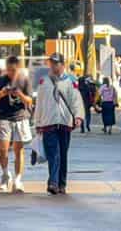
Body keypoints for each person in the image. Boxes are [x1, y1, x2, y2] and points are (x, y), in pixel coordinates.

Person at [33, 52, 85, 195]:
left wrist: (78, 116)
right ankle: (53, 183)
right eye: (52, 63)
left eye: (56, 63)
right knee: (53, 154)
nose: (54, 65)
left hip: (65, 122)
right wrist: (37, 122)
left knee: (62, 154)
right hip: (48, 123)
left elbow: (76, 100)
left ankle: (62, 183)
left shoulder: (70, 81)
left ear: (62, 64)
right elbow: (40, 103)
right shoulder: (44, 82)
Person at [0, 55, 33, 192]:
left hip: (20, 118)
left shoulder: (24, 81)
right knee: (3, 149)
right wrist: (1, 94)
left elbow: (30, 101)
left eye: (14, 70)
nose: (11, 73)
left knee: (19, 150)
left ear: (18, 69)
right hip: (4, 118)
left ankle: (18, 179)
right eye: (8, 70)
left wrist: (20, 94)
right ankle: (6, 174)